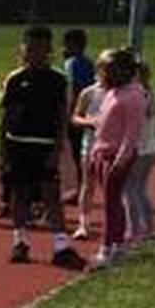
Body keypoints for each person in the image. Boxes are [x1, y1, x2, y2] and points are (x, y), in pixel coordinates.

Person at [0, 26, 81, 269]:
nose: (34, 53)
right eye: (30, 48)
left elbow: (61, 117)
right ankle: (20, 243)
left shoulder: (58, 79)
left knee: (51, 196)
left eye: (40, 49)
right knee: (19, 195)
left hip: (44, 147)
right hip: (17, 145)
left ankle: (61, 247)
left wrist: (57, 150)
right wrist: (3, 151)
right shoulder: (14, 78)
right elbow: (5, 117)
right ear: (23, 49)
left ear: (49, 50)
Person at [86, 47, 144, 269]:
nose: (101, 76)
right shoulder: (112, 92)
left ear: (121, 71)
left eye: (105, 71)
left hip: (117, 156)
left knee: (111, 203)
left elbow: (131, 134)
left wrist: (120, 161)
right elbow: (103, 124)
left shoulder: (134, 96)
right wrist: (94, 152)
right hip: (103, 152)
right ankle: (116, 246)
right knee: (111, 201)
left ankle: (108, 248)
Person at [123, 59, 155, 241]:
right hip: (150, 147)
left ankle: (134, 230)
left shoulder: (135, 95)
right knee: (141, 189)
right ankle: (150, 227)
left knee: (129, 191)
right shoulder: (153, 94)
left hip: (137, 148)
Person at [69, 55, 110, 239]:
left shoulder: (119, 93)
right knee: (88, 184)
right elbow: (75, 117)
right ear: (98, 71)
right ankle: (83, 224)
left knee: (111, 186)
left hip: (112, 147)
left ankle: (116, 224)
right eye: (104, 70)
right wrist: (90, 122)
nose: (107, 74)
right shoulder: (89, 92)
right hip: (90, 144)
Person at [61, 28, 96, 196]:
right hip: (90, 110)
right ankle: (83, 187)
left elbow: (73, 89)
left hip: (76, 112)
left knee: (78, 153)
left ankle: (82, 190)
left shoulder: (71, 63)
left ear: (71, 44)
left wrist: (69, 114)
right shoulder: (89, 63)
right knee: (82, 152)